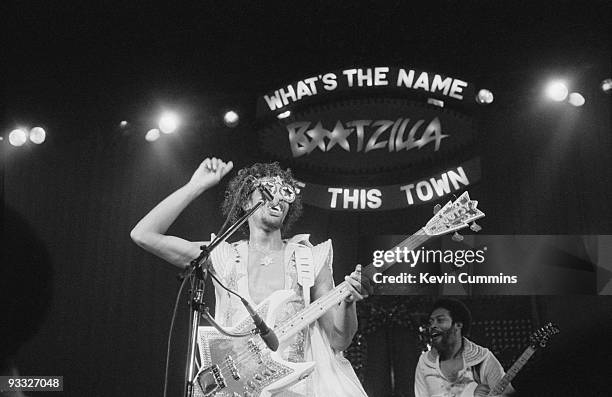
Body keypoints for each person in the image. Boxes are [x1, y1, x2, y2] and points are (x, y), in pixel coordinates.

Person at [130, 157, 370, 396]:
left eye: (285, 193)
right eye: (268, 191)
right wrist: (196, 185)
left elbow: (339, 340)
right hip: (235, 389)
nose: (278, 199)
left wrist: (348, 304)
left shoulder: (310, 258)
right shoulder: (222, 255)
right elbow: (144, 234)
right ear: (246, 202)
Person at [414, 299, 515, 397]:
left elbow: (507, 394)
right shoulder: (424, 362)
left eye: (440, 320)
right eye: (431, 322)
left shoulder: (483, 359)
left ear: (458, 325)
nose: (433, 326)